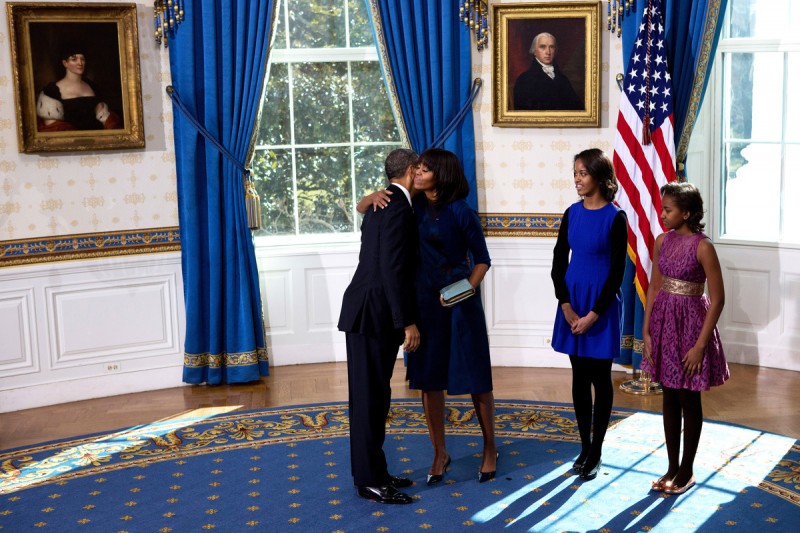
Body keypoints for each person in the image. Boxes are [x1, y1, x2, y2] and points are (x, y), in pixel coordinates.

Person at [359, 148, 497, 485]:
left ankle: (490, 448)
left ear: (442, 174)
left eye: (424, 169)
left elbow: (482, 260)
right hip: (422, 307)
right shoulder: (412, 205)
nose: (417, 173)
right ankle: (440, 452)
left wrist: (465, 289)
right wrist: (369, 197)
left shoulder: (463, 212)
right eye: (417, 168)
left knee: (476, 379)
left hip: (460, 307)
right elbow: (364, 208)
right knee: (428, 380)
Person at [337, 148, 421, 505]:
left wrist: (366, 199)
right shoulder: (397, 208)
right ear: (413, 172)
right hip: (373, 314)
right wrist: (408, 323)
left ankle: (374, 471)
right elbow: (392, 271)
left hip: (366, 311)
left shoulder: (379, 204)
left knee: (375, 398)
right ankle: (370, 481)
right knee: (370, 400)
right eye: (420, 169)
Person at [642, 182, 729, 495]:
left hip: (692, 327)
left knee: (688, 398)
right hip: (664, 322)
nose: (663, 214)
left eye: (668, 209)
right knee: (668, 395)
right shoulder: (661, 241)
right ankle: (671, 465)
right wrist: (647, 330)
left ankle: (687, 469)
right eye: (663, 208)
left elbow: (717, 299)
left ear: (687, 212)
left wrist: (700, 345)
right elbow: (654, 286)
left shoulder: (703, 246)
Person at [550, 148, 627, 481]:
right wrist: (566, 305)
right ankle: (584, 446)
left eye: (583, 173)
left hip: (601, 307)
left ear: (599, 176)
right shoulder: (571, 213)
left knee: (600, 377)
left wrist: (595, 314)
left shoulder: (615, 217)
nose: (577, 179)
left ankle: (597, 451)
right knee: (579, 377)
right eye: (575, 173)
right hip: (572, 304)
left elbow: (618, 273)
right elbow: (557, 263)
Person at [36, 43, 122, 132]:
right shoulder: (51, 91)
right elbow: (53, 127)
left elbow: (104, 117)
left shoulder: (92, 86)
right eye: (74, 59)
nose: (80, 63)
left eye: (82, 59)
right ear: (65, 63)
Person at [513, 32, 583, 111]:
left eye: (551, 47)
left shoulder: (563, 78)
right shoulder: (524, 80)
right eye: (542, 47)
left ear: (555, 51)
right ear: (534, 51)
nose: (548, 52)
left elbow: (577, 107)